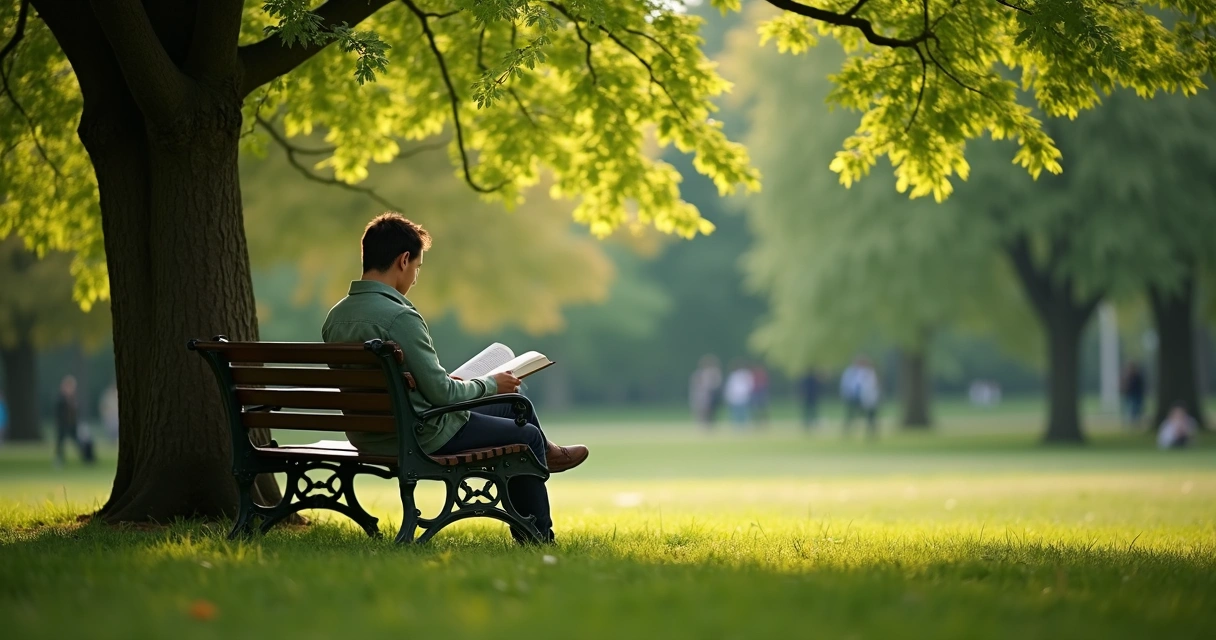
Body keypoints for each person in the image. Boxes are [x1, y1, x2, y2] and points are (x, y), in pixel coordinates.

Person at [322, 213, 588, 544]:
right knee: (525, 435)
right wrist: (494, 384)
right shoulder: (400, 316)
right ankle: (538, 536)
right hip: (421, 435)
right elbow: (442, 394)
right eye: (417, 268)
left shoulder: (337, 316)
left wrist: (445, 384)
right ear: (404, 260)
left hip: (369, 433)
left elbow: (394, 383)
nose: (415, 278)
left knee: (512, 407)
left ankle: (547, 453)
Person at [55, 375, 95, 466]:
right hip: (63, 425)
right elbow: (59, 414)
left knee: (78, 442)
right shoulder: (61, 399)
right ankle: (59, 460)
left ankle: (86, 458)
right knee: (60, 442)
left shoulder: (73, 399)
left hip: (73, 425)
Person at [688, 355, 723, 429]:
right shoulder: (699, 374)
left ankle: (709, 425)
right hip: (701, 396)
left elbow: (715, 385)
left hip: (709, 396)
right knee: (701, 411)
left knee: (710, 412)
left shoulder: (714, 373)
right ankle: (702, 425)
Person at [723, 363, 754, 428]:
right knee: (737, 411)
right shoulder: (734, 375)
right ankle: (737, 425)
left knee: (742, 411)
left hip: (743, 395)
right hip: (736, 396)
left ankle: (743, 425)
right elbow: (730, 386)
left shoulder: (745, 375)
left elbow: (750, 385)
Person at [1121, 362, 1146, 427]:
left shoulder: (1137, 377)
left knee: (1136, 409)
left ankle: (1134, 422)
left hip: (1136, 395)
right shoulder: (1128, 377)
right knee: (1131, 409)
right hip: (1130, 395)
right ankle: (1131, 422)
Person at [749, 364, 770, 428]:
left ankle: (763, 422)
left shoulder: (758, 374)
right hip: (757, 392)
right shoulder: (755, 374)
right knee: (758, 408)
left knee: (761, 408)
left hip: (760, 391)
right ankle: (759, 422)